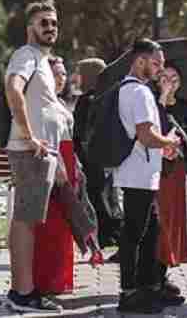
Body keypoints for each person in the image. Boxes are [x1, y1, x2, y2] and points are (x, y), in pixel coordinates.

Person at [3, 0, 70, 311]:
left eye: (54, 23)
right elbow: (12, 88)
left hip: (40, 153)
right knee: (25, 221)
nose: (50, 28)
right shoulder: (26, 55)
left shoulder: (42, 59)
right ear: (30, 27)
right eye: (44, 23)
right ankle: (23, 293)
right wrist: (29, 136)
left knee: (26, 220)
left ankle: (23, 290)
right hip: (29, 151)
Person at [112, 39, 183, 314]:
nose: (159, 69)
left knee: (149, 231)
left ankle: (147, 286)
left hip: (141, 172)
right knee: (134, 234)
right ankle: (129, 293)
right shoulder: (139, 93)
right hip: (137, 174)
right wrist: (168, 142)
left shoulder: (133, 89)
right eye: (156, 63)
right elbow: (144, 134)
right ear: (140, 61)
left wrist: (162, 144)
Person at [31, 55, 78, 295]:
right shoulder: (42, 103)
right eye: (56, 74)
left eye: (63, 74)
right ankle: (45, 280)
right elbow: (47, 138)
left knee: (63, 226)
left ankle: (60, 278)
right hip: (54, 164)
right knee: (50, 224)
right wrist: (58, 164)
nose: (61, 79)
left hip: (68, 162)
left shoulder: (58, 101)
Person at [155, 63, 187, 294]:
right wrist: (161, 97)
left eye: (174, 78)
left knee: (172, 222)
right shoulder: (152, 101)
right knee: (158, 221)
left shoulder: (185, 107)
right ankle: (154, 275)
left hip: (176, 171)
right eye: (164, 77)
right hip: (155, 171)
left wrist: (180, 146)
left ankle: (163, 273)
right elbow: (152, 127)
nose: (170, 82)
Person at [72, 57, 121, 250]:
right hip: (105, 158)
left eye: (81, 74)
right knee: (109, 198)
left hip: (90, 158)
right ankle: (113, 236)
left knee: (97, 199)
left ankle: (105, 238)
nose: (77, 78)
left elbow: (81, 131)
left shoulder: (88, 100)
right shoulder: (109, 96)